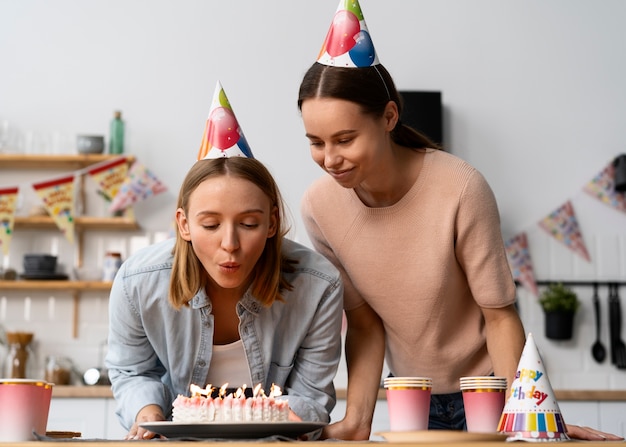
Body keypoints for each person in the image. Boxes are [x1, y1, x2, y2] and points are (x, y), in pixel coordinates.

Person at [296, 0, 623, 442]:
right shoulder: (320, 208)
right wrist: (358, 420)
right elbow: (366, 323)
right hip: (411, 393)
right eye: (315, 142)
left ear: (389, 117)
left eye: (345, 139)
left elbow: (499, 316)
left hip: (488, 391)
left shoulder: (461, 187)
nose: (329, 158)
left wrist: (527, 418)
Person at [106, 102, 344, 439]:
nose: (229, 243)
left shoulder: (318, 286)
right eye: (211, 224)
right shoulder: (136, 284)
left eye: (249, 223)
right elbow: (132, 371)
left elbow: (311, 396)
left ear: (272, 223)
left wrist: (291, 418)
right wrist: (148, 414)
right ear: (184, 225)